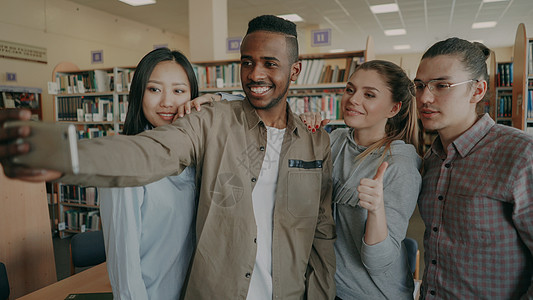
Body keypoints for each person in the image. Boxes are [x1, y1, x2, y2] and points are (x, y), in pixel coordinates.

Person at [0, 15, 336, 300]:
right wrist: (65, 156)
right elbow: (149, 152)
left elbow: (321, 235)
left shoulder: (315, 143)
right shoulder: (212, 121)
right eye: (246, 62)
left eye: (270, 63)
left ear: (295, 72)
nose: (254, 74)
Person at [98, 47, 238, 300]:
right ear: (139, 94)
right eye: (154, 89)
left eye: (179, 90)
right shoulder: (124, 164)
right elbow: (124, 268)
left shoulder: (200, 156)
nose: (167, 102)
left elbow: (251, 106)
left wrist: (216, 98)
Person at [415, 37, 533, 299]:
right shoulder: (431, 159)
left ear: (477, 91)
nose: (424, 97)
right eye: (420, 85)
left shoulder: (520, 153)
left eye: (442, 85)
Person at [301, 60, 422, 299]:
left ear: (393, 109)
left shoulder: (400, 166)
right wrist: (304, 135)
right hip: (326, 287)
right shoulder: (335, 140)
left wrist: (376, 210)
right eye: (350, 89)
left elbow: (379, 263)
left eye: (369, 94)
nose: (353, 100)